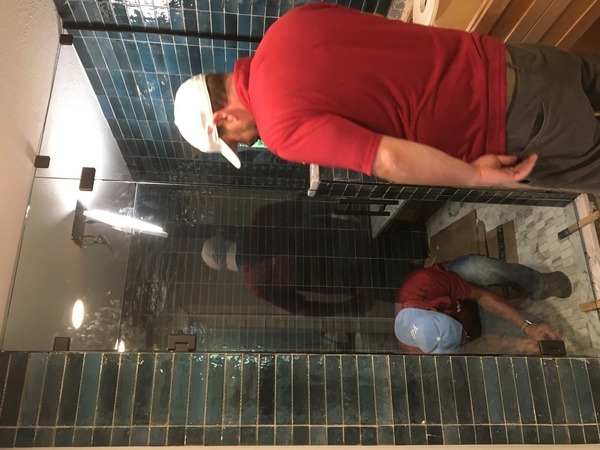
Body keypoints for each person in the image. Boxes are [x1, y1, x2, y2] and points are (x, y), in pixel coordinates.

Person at [173, 3, 600, 191]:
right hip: (511, 59)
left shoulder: (280, 128)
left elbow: (389, 159)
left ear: (224, 119)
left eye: (233, 141)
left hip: (513, 124)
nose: (246, 143)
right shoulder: (290, 24)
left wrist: (472, 175)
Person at [200, 200, 394, 317]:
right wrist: (351, 306)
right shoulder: (261, 220)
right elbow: (302, 308)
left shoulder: (256, 281)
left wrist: (351, 306)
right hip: (363, 260)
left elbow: (305, 207)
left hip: (363, 259)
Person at [394, 254, 572, 354]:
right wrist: (519, 345)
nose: (463, 339)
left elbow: (479, 295)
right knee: (530, 347)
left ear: (434, 309)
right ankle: (512, 301)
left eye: (461, 335)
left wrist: (526, 326)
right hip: (473, 327)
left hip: (462, 287)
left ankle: (541, 284)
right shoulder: (420, 352)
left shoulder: (424, 284)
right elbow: (473, 347)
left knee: (479, 268)